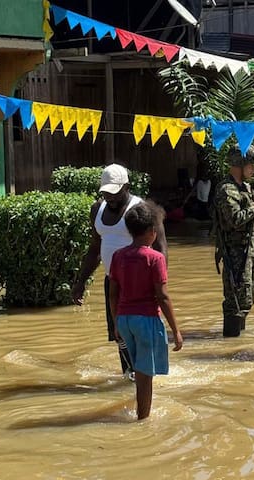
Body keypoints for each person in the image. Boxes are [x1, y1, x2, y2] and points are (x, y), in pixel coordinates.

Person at [72, 164, 168, 379]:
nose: (110, 198)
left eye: (114, 193)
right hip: (113, 282)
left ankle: (143, 375)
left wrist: (160, 285)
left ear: (126, 187)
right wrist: (80, 282)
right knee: (119, 333)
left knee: (142, 331)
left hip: (140, 284)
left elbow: (161, 247)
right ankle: (130, 376)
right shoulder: (97, 209)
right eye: (106, 193)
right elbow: (95, 248)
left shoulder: (141, 210)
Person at [108, 202, 182, 420]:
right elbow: (163, 296)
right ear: (152, 232)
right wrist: (176, 330)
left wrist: (115, 323)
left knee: (139, 370)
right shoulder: (155, 258)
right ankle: (143, 419)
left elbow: (113, 293)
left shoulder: (118, 256)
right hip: (146, 320)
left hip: (124, 320)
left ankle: (142, 411)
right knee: (145, 374)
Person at [211, 146, 254, 337]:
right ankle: (231, 342)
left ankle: (238, 342)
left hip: (248, 252)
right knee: (235, 300)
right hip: (235, 254)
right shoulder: (227, 189)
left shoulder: (244, 187)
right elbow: (234, 219)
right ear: (239, 165)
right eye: (251, 165)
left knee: (247, 297)